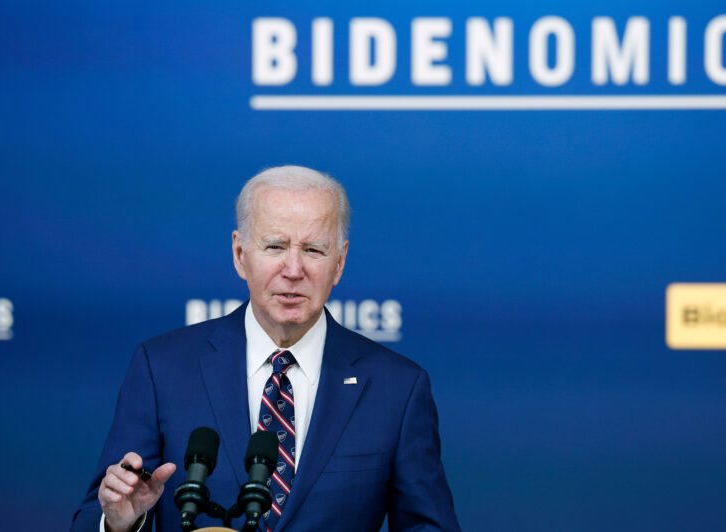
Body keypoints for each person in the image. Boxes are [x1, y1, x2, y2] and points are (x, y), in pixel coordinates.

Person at [71, 166, 460, 532]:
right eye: (275, 246)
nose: (293, 269)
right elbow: (96, 516)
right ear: (240, 254)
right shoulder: (162, 369)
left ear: (339, 263)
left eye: (313, 250)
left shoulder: (398, 388)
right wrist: (120, 523)